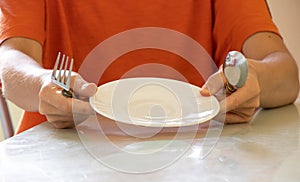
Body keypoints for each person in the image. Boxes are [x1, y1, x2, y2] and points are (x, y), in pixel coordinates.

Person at [0, 0, 298, 134]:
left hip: (194, 164)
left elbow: (284, 72)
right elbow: (12, 59)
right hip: (59, 162)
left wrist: (254, 78)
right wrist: (41, 82)